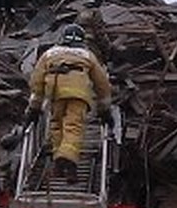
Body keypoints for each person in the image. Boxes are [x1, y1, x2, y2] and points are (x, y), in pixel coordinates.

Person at [25, 22, 112, 183]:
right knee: (73, 126)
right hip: (78, 95)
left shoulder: (49, 54)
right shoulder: (87, 55)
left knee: (56, 125)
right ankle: (69, 162)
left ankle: (59, 162)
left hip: (55, 93)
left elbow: (36, 82)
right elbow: (102, 85)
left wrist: (34, 108)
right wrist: (105, 109)